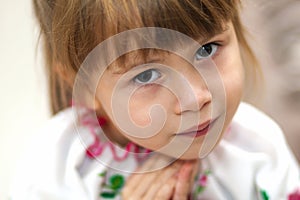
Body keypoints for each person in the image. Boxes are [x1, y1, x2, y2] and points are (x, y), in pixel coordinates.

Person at [11, 0, 300, 199]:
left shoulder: (258, 149)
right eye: (147, 75)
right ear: (83, 86)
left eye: (207, 49)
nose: (197, 97)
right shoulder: (55, 169)